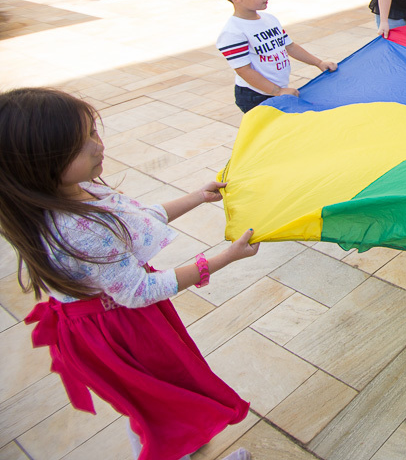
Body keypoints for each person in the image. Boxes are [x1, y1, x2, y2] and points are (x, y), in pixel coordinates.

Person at [0, 87, 257, 460]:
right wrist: (221, 259)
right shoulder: (78, 229)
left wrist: (196, 197)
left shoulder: (73, 189)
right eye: (80, 143)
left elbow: (134, 220)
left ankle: (180, 439)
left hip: (113, 319)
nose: (97, 145)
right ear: (38, 165)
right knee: (153, 404)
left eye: (92, 131)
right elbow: (138, 290)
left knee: (150, 399)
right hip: (119, 328)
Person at [213, 0, 337, 113]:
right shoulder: (233, 32)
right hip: (255, 95)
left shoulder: (269, 19)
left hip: (275, 90)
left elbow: (289, 46)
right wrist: (277, 91)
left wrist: (319, 63)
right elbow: (244, 70)